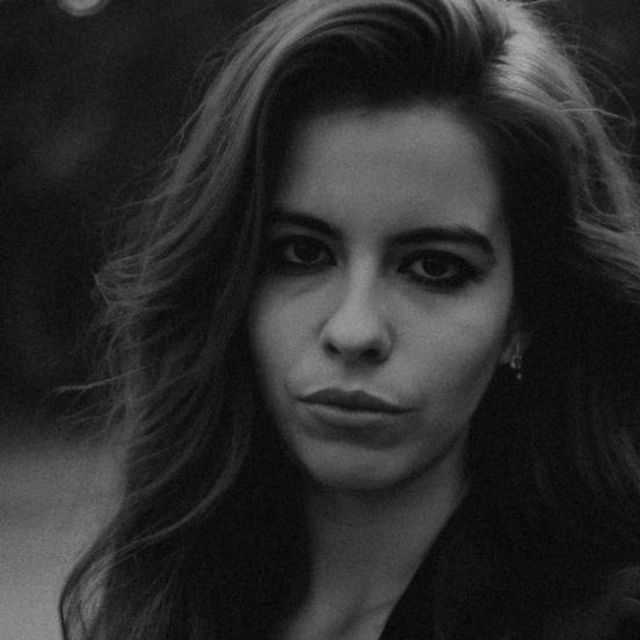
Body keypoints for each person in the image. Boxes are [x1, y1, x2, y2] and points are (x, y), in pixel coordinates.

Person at [60, 0, 640, 638]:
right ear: (228, 282)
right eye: (300, 254)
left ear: (526, 312)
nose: (354, 331)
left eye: (435, 268)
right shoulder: (168, 601)